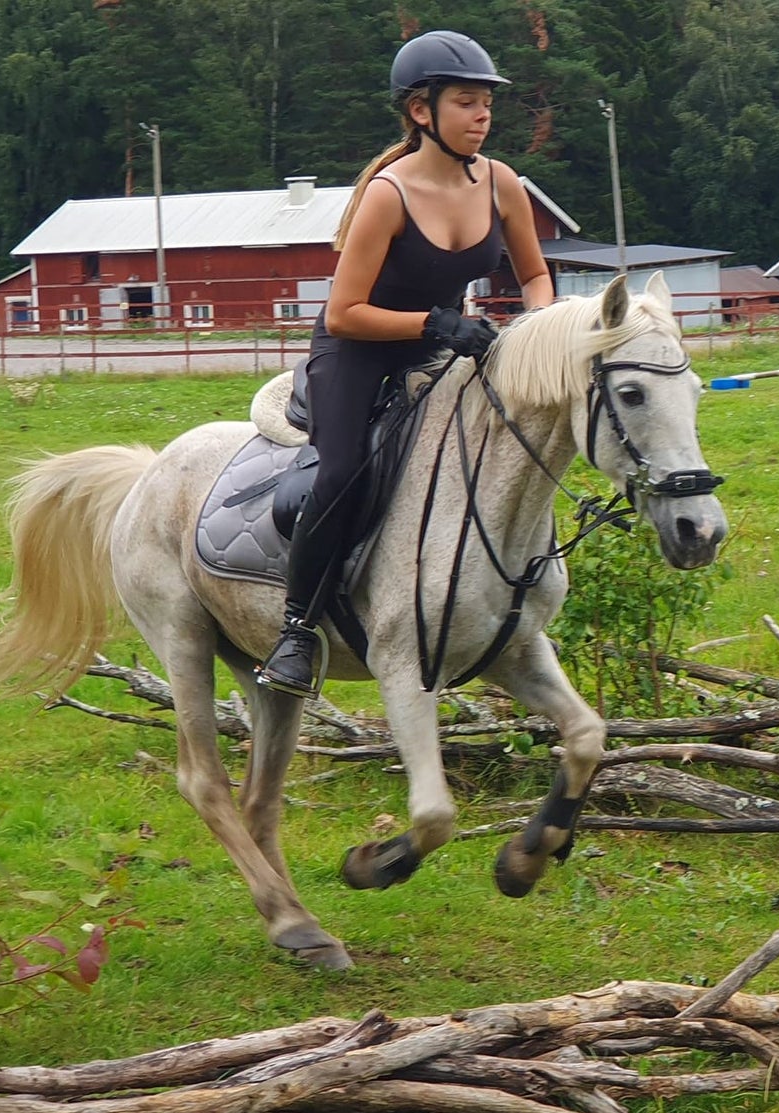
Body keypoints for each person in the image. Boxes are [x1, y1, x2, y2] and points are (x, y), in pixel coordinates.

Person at [256, 29, 554, 697]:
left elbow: (536, 276)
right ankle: (297, 631)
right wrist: (438, 322)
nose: (484, 116)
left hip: (444, 347)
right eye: (468, 103)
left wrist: (533, 325)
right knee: (340, 472)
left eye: (487, 105)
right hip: (358, 351)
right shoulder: (388, 195)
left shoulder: (502, 183)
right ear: (423, 111)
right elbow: (344, 312)